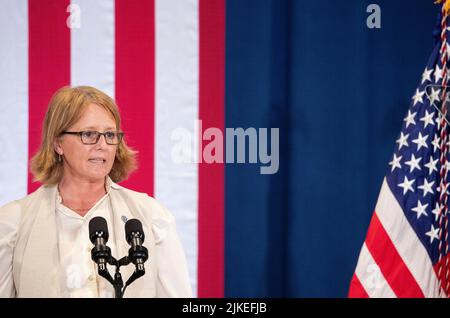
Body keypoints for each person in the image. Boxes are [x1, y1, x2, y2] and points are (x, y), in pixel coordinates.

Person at [0, 86, 192, 298]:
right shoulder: (13, 223)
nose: (103, 145)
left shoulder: (151, 217)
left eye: (110, 134)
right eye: (89, 134)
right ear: (58, 143)